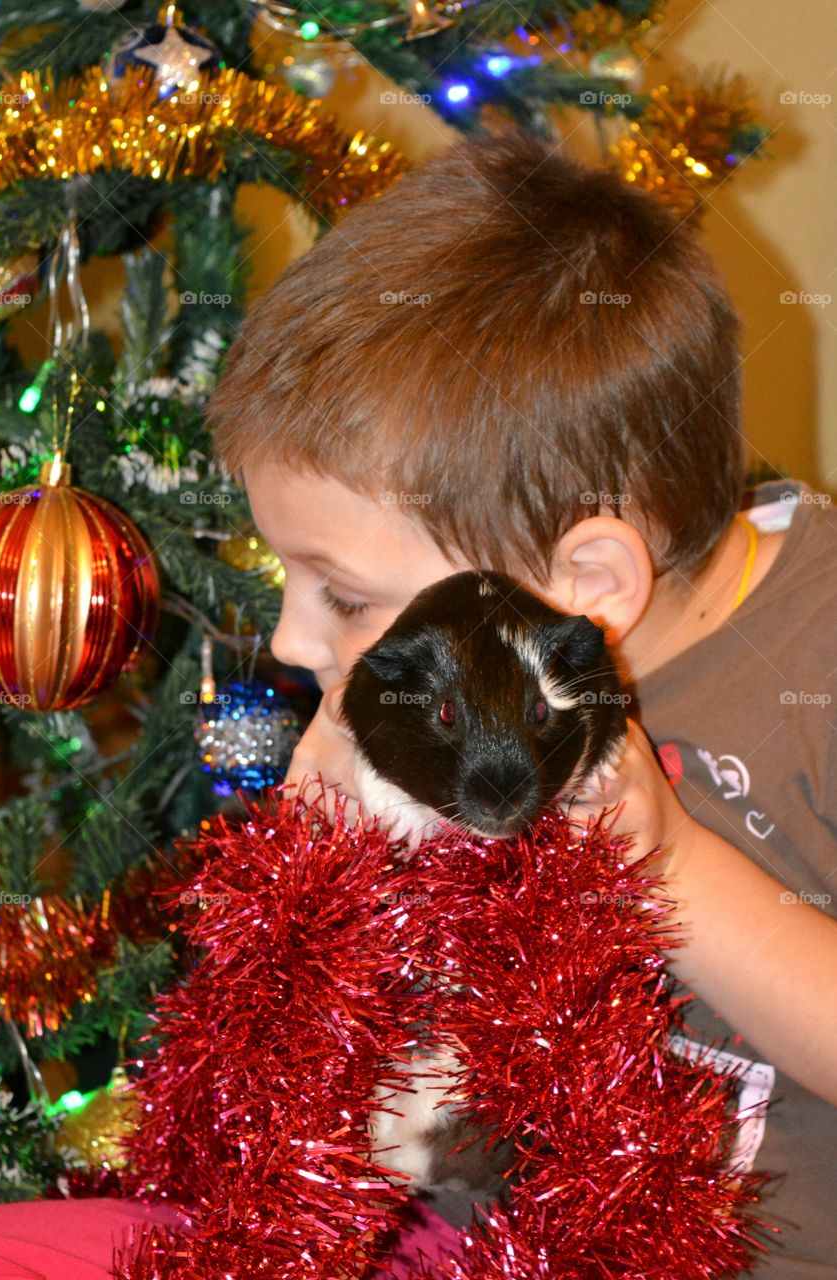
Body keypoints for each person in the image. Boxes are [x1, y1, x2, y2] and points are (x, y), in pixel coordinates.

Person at [208, 125, 837, 1276]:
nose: (295, 641)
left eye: (344, 595)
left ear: (583, 585)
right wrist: (323, 881)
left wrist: (671, 866)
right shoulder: (409, 703)